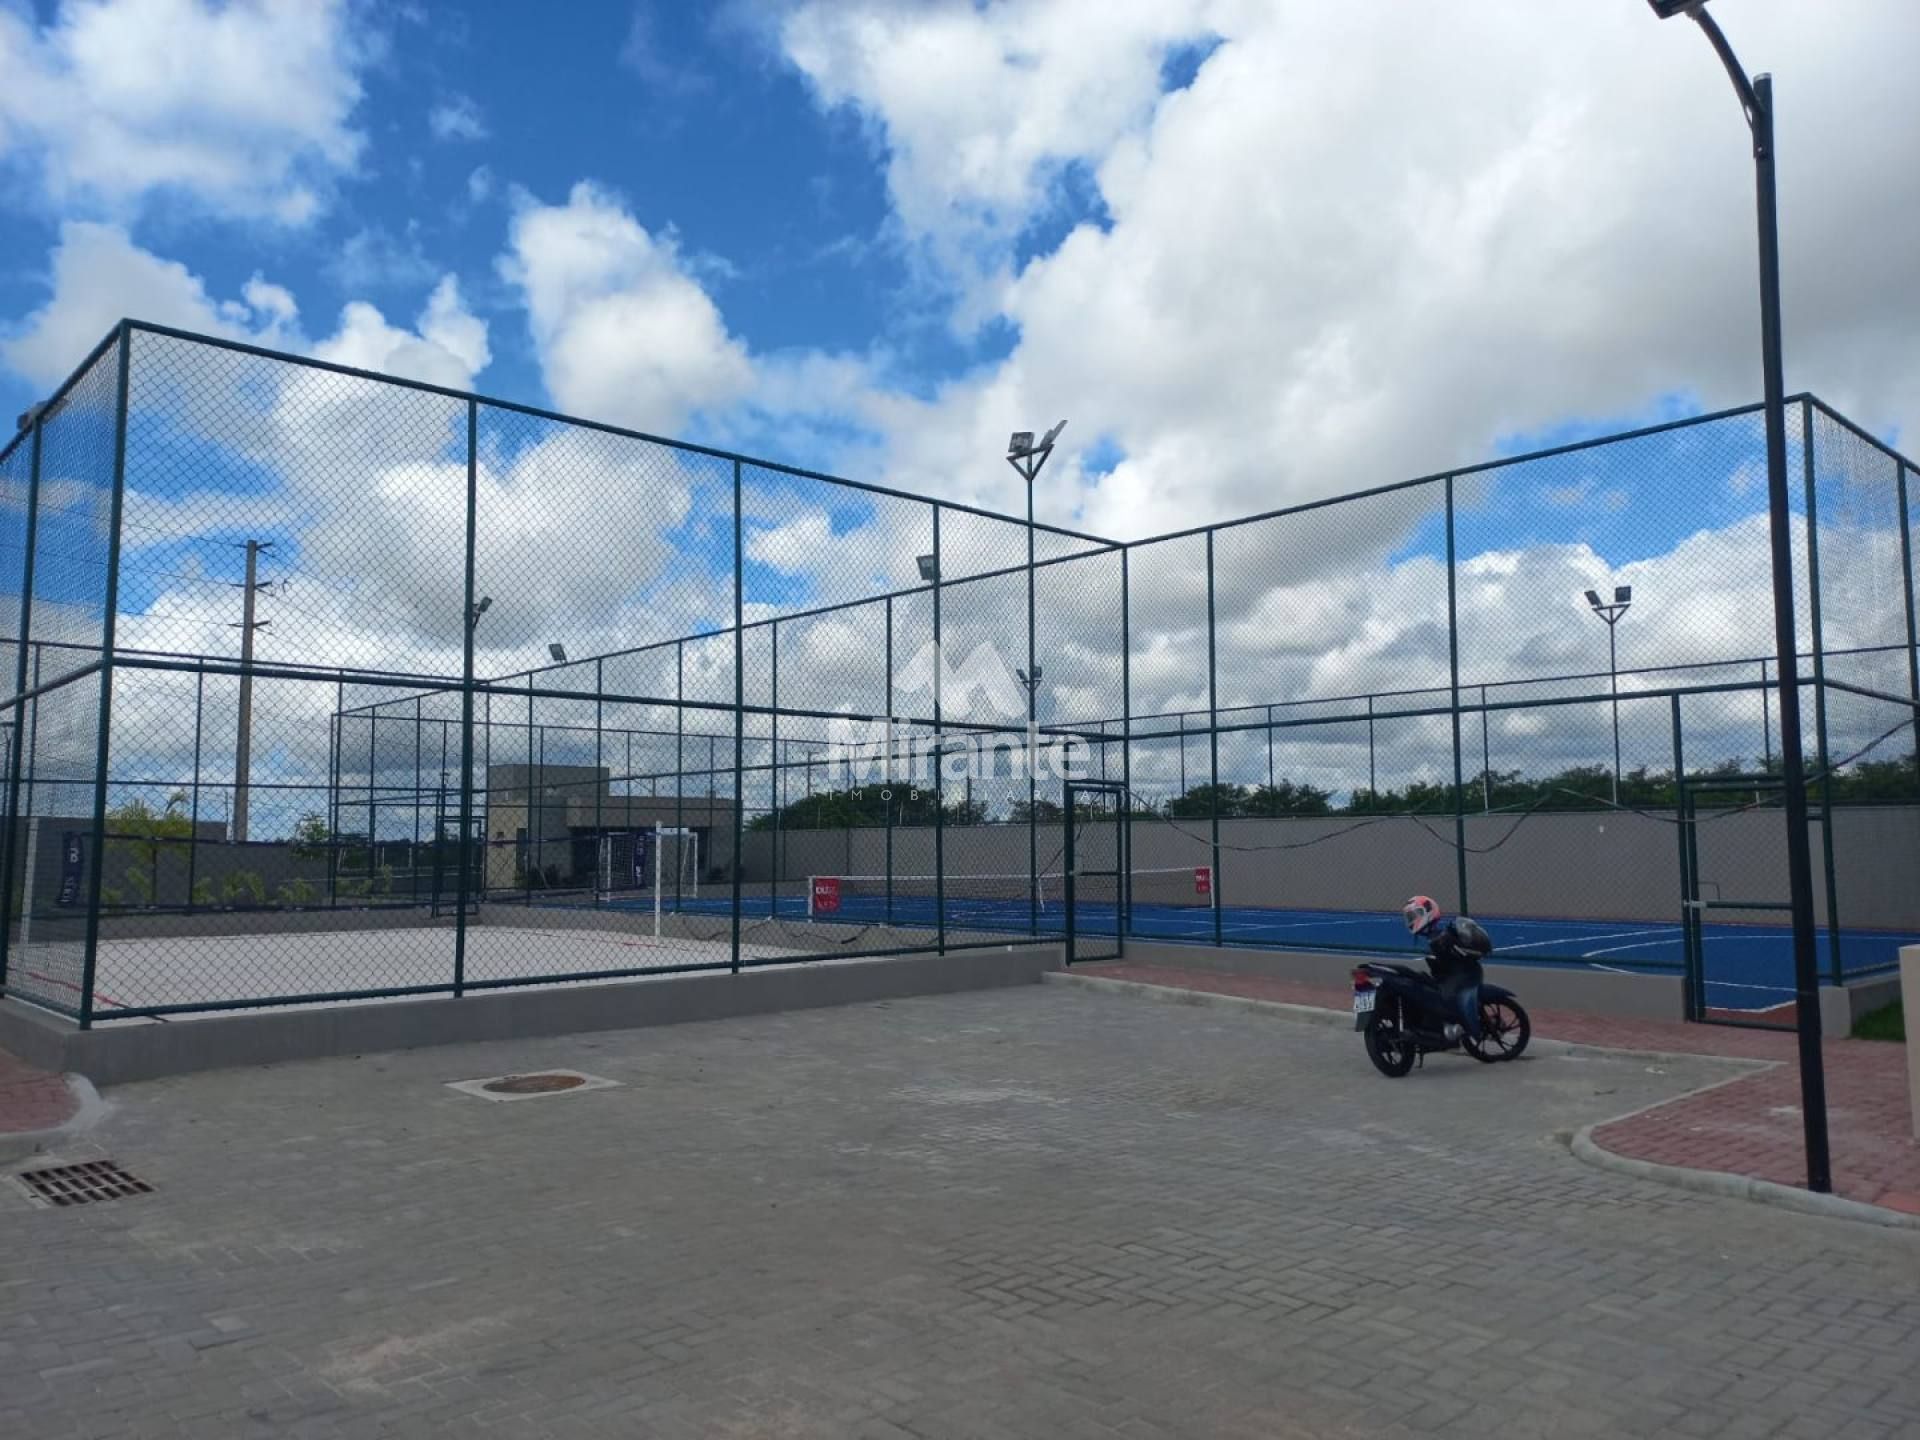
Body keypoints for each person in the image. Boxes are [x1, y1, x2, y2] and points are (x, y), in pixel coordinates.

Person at [1401, 895, 1492, 1042]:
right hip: (1450, 977)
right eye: (1410, 917)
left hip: (1449, 978)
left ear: (1428, 912)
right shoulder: (1439, 938)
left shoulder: (1441, 938)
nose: (1412, 920)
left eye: (1414, 915)